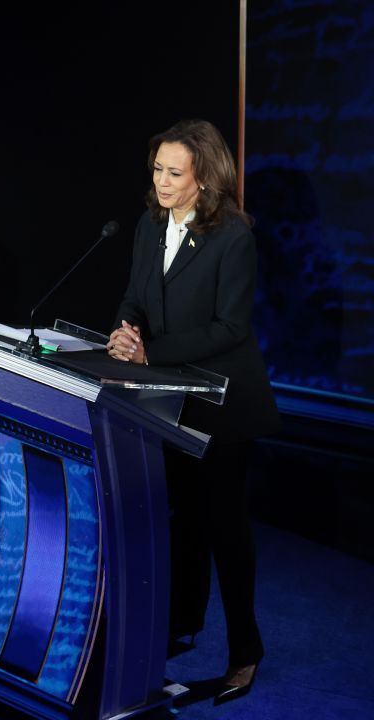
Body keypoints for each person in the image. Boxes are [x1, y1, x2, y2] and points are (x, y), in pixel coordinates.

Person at [106, 119, 280, 704]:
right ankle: (182, 623)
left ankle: (245, 652)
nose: (161, 181)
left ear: (203, 178)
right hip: (168, 399)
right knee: (181, 521)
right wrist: (125, 333)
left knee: (225, 529)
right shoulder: (149, 225)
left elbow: (230, 327)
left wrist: (152, 349)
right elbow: (136, 296)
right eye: (157, 169)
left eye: (173, 172)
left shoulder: (233, 235)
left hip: (225, 404)